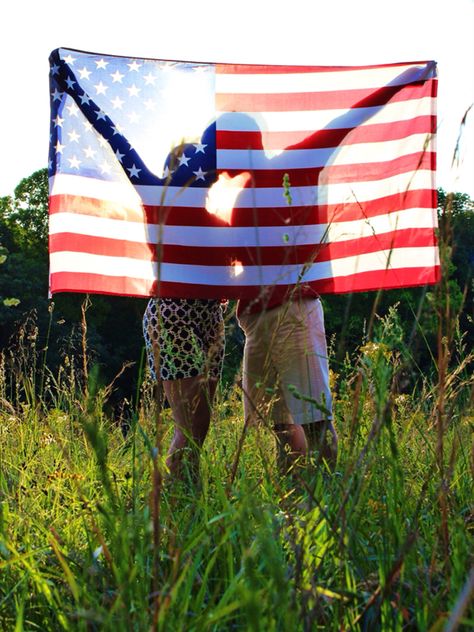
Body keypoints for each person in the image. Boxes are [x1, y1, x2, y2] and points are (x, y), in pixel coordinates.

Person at [237, 286, 338, 473]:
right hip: (254, 315)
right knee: (281, 423)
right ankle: (293, 494)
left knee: (315, 417)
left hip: (294, 305)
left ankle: (329, 490)